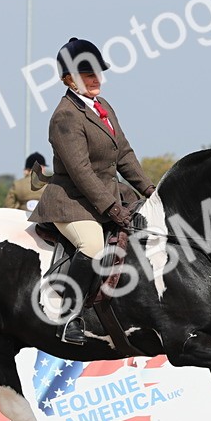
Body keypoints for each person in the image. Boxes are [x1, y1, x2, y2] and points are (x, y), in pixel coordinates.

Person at [29, 37, 157, 345]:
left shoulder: (103, 107)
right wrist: (112, 209)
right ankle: (68, 316)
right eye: (87, 74)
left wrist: (152, 192)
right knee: (92, 246)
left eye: (97, 72)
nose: (96, 78)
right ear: (68, 79)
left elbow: (124, 154)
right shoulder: (64, 116)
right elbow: (81, 172)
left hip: (107, 194)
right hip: (72, 201)